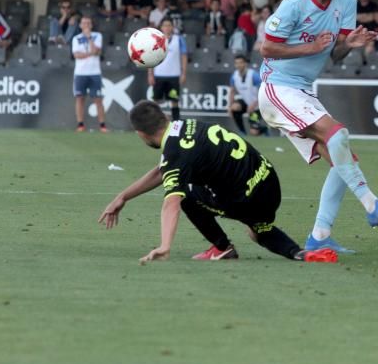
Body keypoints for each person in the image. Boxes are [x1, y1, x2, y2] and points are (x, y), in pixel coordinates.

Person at [258, 0, 378, 253]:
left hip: (301, 90)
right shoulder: (294, 5)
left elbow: (335, 55)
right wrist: (308, 48)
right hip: (277, 87)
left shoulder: (347, 0)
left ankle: (319, 237)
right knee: (338, 134)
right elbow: (267, 48)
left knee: (344, 160)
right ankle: (372, 205)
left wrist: (349, 44)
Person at [98, 101, 338, 263]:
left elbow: (171, 201)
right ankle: (299, 253)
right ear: (166, 117)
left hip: (247, 199)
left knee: (187, 195)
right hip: (270, 183)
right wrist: (123, 196)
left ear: (141, 134)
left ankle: (223, 248)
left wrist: (165, 245)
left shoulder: (174, 153)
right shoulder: (186, 126)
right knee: (257, 229)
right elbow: (165, 170)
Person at [71, 16, 108, 133]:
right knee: (80, 98)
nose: (86, 25)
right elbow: (76, 55)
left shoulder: (97, 36)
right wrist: (90, 53)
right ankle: (80, 124)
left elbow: (96, 51)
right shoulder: (76, 38)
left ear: (91, 25)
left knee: (98, 99)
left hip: (94, 72)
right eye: (84, 23)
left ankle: (102, 125)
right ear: (80, 25)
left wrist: (89, 38)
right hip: (80, 73)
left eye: (88, 23)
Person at [149, 19, 187, 121]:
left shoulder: (178, 39)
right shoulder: (155, 40)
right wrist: (150, 74)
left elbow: (184, 56)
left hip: (174, 75)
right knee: (156, 100)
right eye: (165, 25)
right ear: (161, 27)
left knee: (174, 101)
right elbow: (150, 57)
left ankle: (176, 123)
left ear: (172, 27)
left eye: (169, 25)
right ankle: (154, 122)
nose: (167, 27)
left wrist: (183, 73)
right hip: (159, 74)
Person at [228, 54, 265, 135]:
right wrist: (229, 106)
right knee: (234, 107)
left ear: (245, 63)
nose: (238, 65)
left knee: (254, 132)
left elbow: (262, 92)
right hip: (247, 103)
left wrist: (254, 104)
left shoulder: (253, 75)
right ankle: (242, 132)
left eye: (240, 63)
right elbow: (232, 91)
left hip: (258, 105)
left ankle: (264, 129)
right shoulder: (234, 76)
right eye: (236, 63)